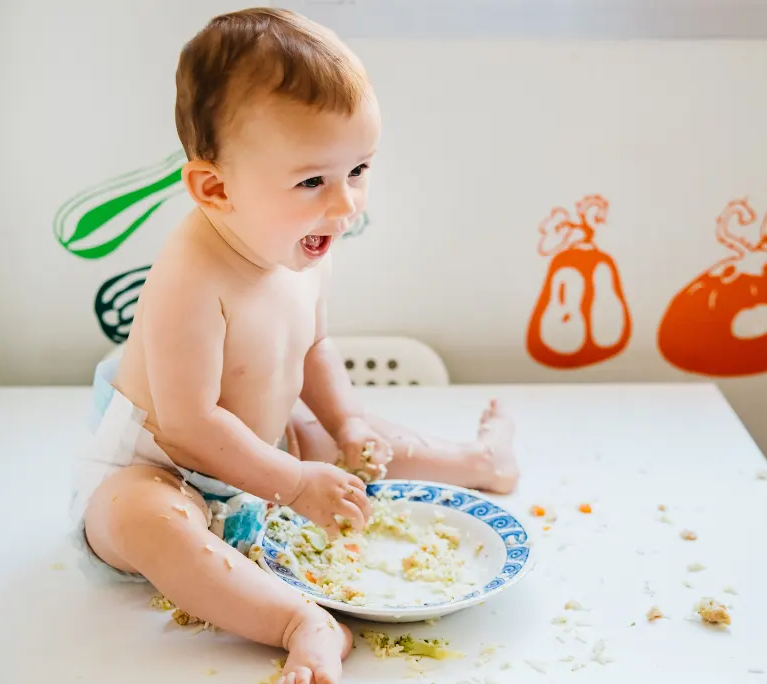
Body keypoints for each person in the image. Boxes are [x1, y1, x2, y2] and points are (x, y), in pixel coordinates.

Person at [69, 8, 519, 684]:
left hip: (267, 456)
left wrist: (347, 424)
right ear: (215, 188)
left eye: (359, 169)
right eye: (313, 181)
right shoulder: (188, 277)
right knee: (145, 516)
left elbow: (313, 349)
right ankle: (295, 622)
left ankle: (479, 462)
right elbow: (188, 426)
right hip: (170, 470)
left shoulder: (304, 243)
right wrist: (293, 482)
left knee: (345, 442)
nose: (346, 205)